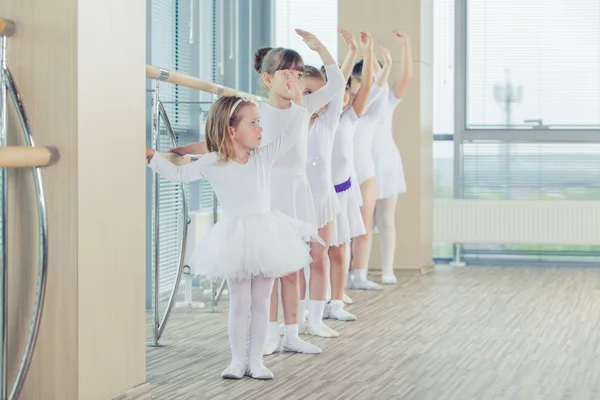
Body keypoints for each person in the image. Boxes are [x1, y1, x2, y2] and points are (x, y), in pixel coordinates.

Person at [145, 80, 309, 380]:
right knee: (239, 302)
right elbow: (180, 173)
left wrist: (298, 98)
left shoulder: (263, 157)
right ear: (232, 130)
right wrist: (151, 156)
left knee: (261, 301)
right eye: (254, 123)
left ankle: (256, 360)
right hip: (235, 237)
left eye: (260, 122)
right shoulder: (212, 161)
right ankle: (236, 360)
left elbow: (290, 134)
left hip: (267, 234)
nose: (260, 129)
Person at [254, 29, 346, 355]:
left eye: (298, 72)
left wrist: (319, 47)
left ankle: (292, 335)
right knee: (268, 271)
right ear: (268, 79)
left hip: (297, 193)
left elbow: (336, 85)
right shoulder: (256, 113)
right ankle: (268, 334)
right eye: (287, 72)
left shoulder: (305, 107)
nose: (294, 78)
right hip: (268, 195)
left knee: (293, 268)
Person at [325, 31, 377, 321]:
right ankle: (317, 302)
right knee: (320, 252)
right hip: (320, 193)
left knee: (341, 248)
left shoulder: (350, 117)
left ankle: (336, 302)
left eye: (347, 90)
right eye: (339, 90)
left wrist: (365, 52)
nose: (344, 96)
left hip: (343, 191)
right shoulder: (321, 119)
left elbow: (367, 84)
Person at [347, 45, 392, 291]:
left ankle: (360, 275)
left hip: (366, 176)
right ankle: (342, 276)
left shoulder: (371, 115)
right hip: (343, 177)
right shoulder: (343, 114)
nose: (358, 95)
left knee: (364, 229)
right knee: (344, 233)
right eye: (353, 89)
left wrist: (378, 62)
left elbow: (379, 91)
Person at [372, 30, 414, 284]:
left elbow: (407, 76)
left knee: (386, 219)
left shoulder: (388, 98)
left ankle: (387, 269)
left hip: (386, 162)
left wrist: (405, 46)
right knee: (362, 223)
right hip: (360, 164)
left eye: (379, 69)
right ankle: (356, 271)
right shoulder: (356, 100)